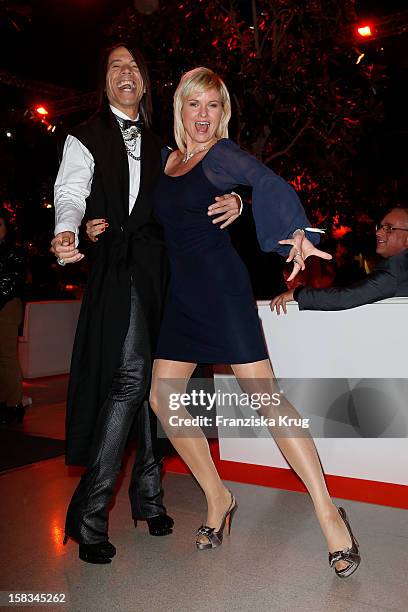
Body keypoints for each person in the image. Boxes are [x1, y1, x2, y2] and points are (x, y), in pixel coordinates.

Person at [148, 67, 361, 578]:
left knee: (265, 399)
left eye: (214, 107)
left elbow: (265, 179)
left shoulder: (221, 156)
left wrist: (293, 229)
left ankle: (329, 513)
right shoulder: (164, 160)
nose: (203, 116)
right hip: (182, 297)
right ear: (180, 108)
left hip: (222, 290)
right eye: (194, 105)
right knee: (161, 396)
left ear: (223, 113)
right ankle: (218, 497)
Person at [51, 45, 241, 565]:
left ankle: (149, 496)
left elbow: (203, 179)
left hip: (167, 274)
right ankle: (90, 513)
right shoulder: (84, 135)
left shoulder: (165, 144)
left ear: (146, 82)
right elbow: (71, 189)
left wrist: (236, 200)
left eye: (133, 66)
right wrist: (70, 229)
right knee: (132, 378)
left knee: (162, 387)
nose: (126, 73)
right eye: (115, 66)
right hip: (120, 269)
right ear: (105, 82)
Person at [271, 207, 408, 314]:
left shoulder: (397, 270)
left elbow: (345, 297)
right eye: (380, 227)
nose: (378, 233)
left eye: (389, 228)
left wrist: (297, 293)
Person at [0, 208, 26, 425]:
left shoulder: (13, 251)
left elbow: (11, 282)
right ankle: (4, 401)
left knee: (7, 355)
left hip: (8, 305)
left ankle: (14, 404)